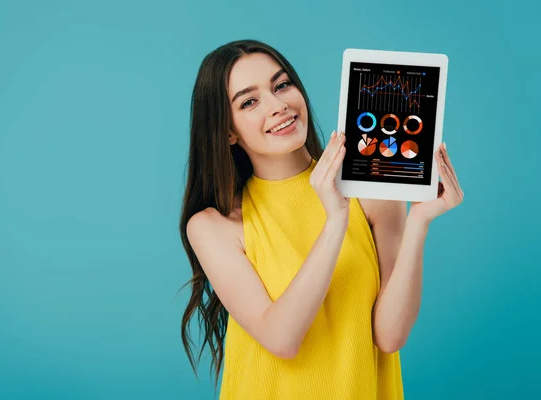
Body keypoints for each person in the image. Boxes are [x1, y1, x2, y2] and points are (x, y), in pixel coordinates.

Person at [178, 39, 464, 400]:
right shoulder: (213, 225)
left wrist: (419, 221)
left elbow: (390, 337)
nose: (279, 105)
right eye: (249, 101)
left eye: (282, 85)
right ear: (227, 131)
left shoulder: (373, 191)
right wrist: (335, 220)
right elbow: (281, 339)